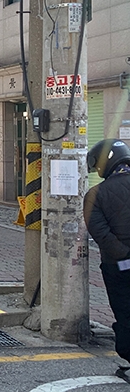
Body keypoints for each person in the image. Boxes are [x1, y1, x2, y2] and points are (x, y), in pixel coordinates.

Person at [84, 138, 130, 382]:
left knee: (126, 314)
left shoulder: (96, 194)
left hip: (119, 267)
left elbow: (100, 233)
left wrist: (123, 255)